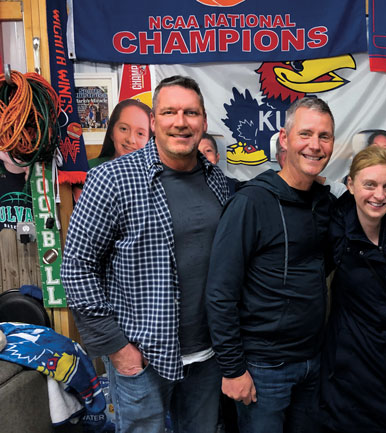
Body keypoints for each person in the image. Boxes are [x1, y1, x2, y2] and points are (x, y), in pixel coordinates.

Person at [62, 75, 234, 433]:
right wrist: (118, 348)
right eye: (169, 111)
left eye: (191, 113)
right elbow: (77, 267)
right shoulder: (112, 179)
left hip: (207, 356)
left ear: (203, 122)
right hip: (142, 357)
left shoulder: (217, 181)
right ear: (154, 122)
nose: (180, 121)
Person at [206, 96, 335, 433]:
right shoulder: (251, 202)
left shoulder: (323, 202)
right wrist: (233, 369)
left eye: (325, 136)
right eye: (306, 134)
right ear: (285, 138)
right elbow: (221, 291)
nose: (315, 145)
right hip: (263, 369)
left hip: (312, 362)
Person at [319, 146, 386, 433]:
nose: (379, 195)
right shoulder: (333, 226)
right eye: (369, 185)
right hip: (352, 373)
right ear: (351, 185)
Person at [88, 98, 152, 169]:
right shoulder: (88, 168)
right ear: (112, 132)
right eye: (124, 129)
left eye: (140, 133)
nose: (131, 140)